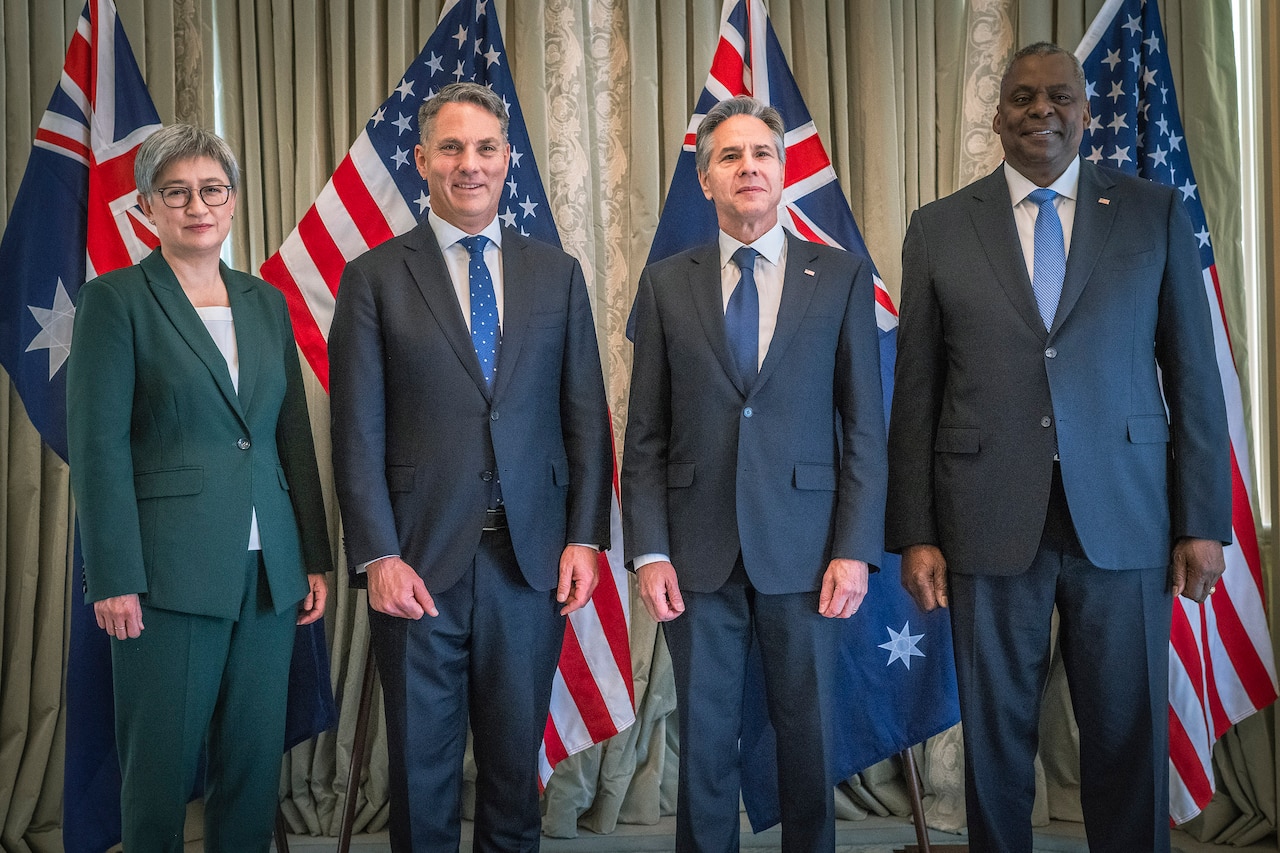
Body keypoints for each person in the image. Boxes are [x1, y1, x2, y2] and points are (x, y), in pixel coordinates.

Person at [887, 42, 1231, 853]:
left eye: (1059, 97)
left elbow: (1194, 377)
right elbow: (916, 394)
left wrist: (1202, 519)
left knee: (1126, 732)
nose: (1042, 110)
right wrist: (916, 531)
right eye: (1023, 98)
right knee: (996, 739)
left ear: (1085, 111)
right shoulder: (939, 228)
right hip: (984, 516)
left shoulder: (1152, 213)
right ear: (997, 114)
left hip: (1126, 512)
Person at [328, 81, 612, 852]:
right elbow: (355, 433)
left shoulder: (557, 274)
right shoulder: (374, 277)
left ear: (508, 158)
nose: (470, 164)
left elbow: (585, 418)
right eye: (451, 148)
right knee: (421, 781)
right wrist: (379, 554)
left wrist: (586, 536)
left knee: (515, 779)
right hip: (418, 563)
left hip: (530, 564)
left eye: (486, 147)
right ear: (422, 160)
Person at [623, 95, 888, 853]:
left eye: (762, 155)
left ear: (784, 172)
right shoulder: (668, 284)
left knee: (807, 745)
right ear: (706, 180)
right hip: (695, 555)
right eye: (730, 157)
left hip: (809, 554)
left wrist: (854, 548)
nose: (748, 168)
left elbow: (864, 427)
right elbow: (644, 437)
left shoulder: (838, 277)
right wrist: (649, 551)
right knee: (705, 748)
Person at [66, 124, 331, 852]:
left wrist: (312, 554)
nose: (196, 206)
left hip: (268, 572)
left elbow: (288, 437)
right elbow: (98, 447)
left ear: (234, 202)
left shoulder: (265, 301)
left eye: (211, 190)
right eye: (175, 193)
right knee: (156, 774)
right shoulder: (114, 301)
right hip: (165, 575)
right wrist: (113, 575)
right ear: (147, 207)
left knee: (250, 769)